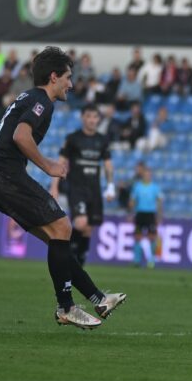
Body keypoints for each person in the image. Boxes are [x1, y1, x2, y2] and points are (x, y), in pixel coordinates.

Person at [0, 46, 125, 330]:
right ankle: (66, 307)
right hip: (3, 175)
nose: (71, 84)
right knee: (63, 227)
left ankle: (98, 298)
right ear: (54, 77)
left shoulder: (31, 97)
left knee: (57, 238)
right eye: (68, 77)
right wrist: (48, 166)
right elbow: (21, 136)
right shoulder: (41, 100)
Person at [49, 104, 115, 266]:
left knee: (88, 229)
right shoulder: (72, 138)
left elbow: (108, 165)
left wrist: (110, 186)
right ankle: (68, 256)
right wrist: (54, 187)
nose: (92, 120)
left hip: (94, 189)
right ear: (82, 118)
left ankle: (79, 263)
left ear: (98, 119)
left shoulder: (102, 140)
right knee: (81, 223)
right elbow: (61, 162)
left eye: (95, 117)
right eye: (89, 116)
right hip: (77, 188)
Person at [129, 163, 163, 269]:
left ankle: (151, 260)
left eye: (149, 174)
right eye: (145, 174)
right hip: (140, 214)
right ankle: (137, 260)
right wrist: (131, 212)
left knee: (152, 237)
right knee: (137, 237)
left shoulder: (155, 187)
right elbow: (133, 201)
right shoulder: (137, 186)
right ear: (143, 175)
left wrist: (159, 216)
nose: (147, 176)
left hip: (150, 214)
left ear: (151, 175)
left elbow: (159, 202)